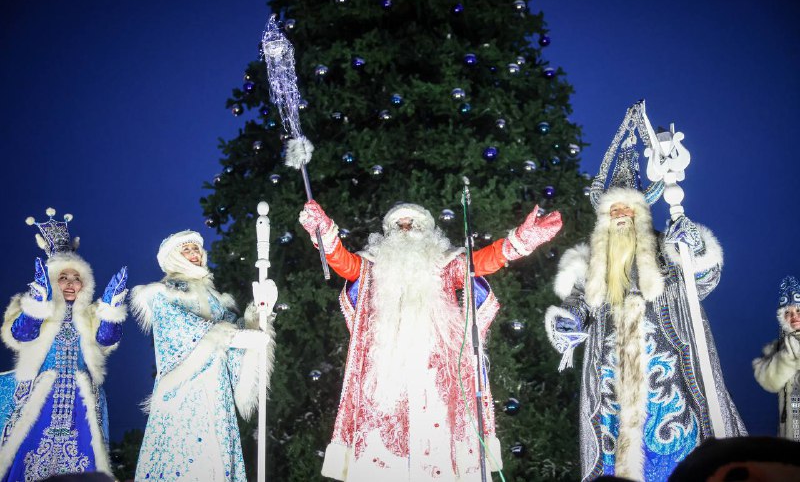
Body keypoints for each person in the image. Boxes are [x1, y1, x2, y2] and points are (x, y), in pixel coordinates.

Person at [298, 200, 562, 481]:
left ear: (428, 231)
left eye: (413, 224)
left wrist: (518, 242)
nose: (406, 229)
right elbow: (343, 262)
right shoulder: (374, 266)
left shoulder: (445, 265)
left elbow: (481, 263)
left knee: (438, 452)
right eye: (399, 225)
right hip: (386, 375)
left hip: (436, 375)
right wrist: (323, 232)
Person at [545, 181, 747, 481]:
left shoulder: (668, 251)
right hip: (613, 385)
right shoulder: (592, 266)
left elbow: (703, 280)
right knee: (617, 460)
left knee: (686, 460)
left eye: (627, 209)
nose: (620, 216)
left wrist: (695, 247)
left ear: (640, 214)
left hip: (671, 382)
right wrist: (568, 322)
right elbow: (579, 304)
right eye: (614, 210)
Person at [131, 230, 275, 482]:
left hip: (217, 391)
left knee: (216, 453)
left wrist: (259, 313)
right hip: (185, 390)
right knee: (188, 455)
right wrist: (235, 337)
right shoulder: (162, 294)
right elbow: (183, 330)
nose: (194, 253)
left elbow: (236, 329)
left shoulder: (215, 299)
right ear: (174, 257)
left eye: (196, 248)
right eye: (186, 249)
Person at [0, 209, 127, 481]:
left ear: (85, 283)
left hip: (81, 403)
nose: (70, 284)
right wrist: (38, 303)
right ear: (51, 280)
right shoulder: (28, 304)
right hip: (39, 399)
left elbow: (106, 339)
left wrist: (111, 308)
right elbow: (20, 334)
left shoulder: (90, 313)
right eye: (63, 277)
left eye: (76, 278)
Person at [753, 275, 800, 440]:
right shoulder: (777, 348)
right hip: (792, 423)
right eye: (788, 313)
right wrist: (786, 358)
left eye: (798, 310)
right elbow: (768, 381)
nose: (794, 316)